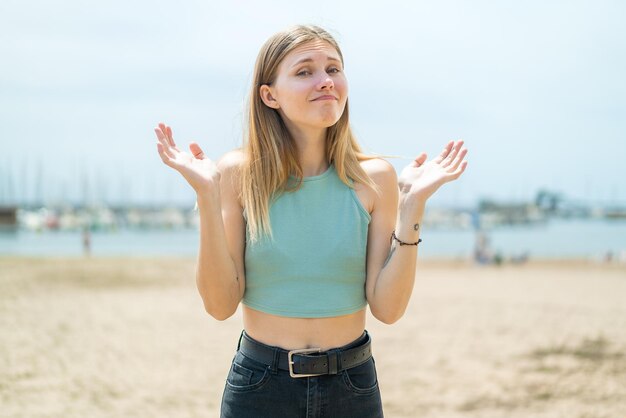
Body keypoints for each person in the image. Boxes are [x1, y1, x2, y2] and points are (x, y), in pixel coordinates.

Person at [154, 24, 467, 418]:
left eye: (333, 69)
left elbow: (388, 309)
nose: (325, 82)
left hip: (352, 387)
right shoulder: (236, 174)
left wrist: (412, 206)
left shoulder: (376, 178)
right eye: (305, 72)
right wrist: (207, 195)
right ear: (270, 95)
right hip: (259, 387)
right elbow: (219, 305)